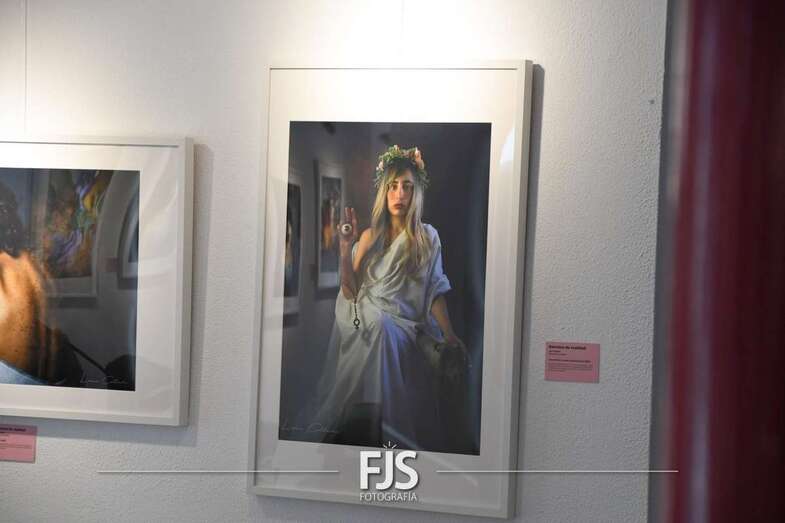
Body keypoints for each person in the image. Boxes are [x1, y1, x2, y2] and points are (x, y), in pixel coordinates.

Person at [305, 145, 465, 450]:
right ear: (384, 192)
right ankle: (367, 427)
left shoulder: (427, 238)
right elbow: (350, 292)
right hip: (363, 318)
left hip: (406, 324)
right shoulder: (369, 236)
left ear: (416, 192)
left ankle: (389, 431)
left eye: (407, 186)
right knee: (378, 324)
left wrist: (449, 334)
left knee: (384, 327)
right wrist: (345, 247)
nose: (399, 194)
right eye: (393, 186)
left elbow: (435, 289)